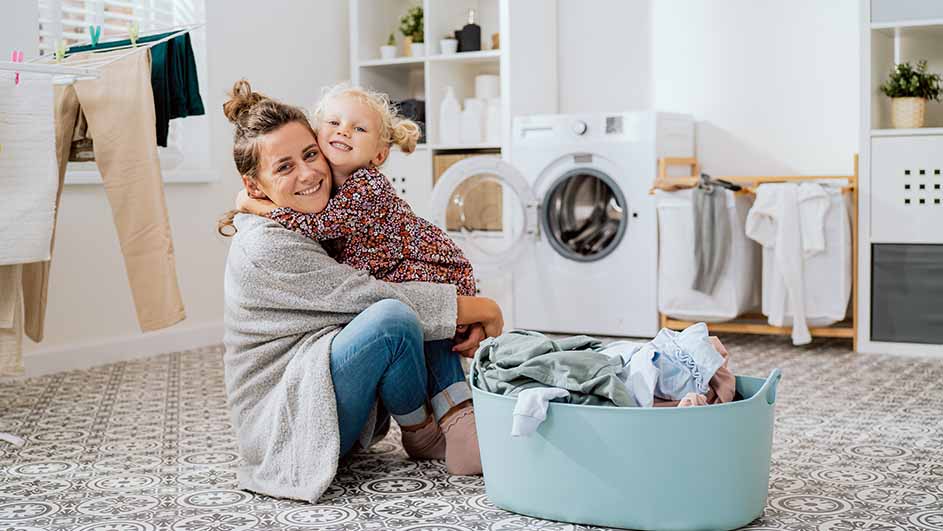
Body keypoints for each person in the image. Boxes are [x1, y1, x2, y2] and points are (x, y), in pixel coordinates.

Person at [219, 80, 501, 503]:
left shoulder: (341, 202)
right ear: (255, 184)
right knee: (393, 316)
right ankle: (425, 430)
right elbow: (367, 295)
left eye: (310, 154)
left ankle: (457, 418)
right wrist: (484, 309)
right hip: (289, 418)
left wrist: (253, 201)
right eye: (284, 167)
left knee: (412, 303)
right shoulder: (267, 244)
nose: (309, 172)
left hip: (323, 385)